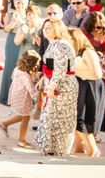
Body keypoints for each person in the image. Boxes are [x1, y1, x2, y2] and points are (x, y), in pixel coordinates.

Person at [35, 19, 78, 156]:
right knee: (51, 117)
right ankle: (51, 148)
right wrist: (43, 79)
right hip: (53, 84)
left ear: (58, 30)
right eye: (45, 28)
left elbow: (60, 70)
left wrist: (52, 88)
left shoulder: (61, 46)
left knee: (61, 118)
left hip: (63, 87)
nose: (46, 30)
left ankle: (59, 149)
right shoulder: (52, 44)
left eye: (50, 28)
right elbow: (51, 67)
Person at [69, 28, 105, 157]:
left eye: (69, 40)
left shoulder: (88, 52)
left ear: (76, 39)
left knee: (81, 119)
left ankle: (93, 149)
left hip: (92, 86)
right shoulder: (76, 53)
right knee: (79, 117)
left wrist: (74, 72)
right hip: (82, 85)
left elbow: (97, 74)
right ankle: (78, 148)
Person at [0, 50, 40, 148]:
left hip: (15, 94)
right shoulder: (26, 76)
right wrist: (39, 91)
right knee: (26, 117)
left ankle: (4, 124)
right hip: (23, 98)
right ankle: (21, 140)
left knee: (23, 115)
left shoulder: (17, 69)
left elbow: (14, 78)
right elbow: (32, 92)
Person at [0, 0, 27, 105]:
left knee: (24, 68)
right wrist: (14, 22)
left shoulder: (28, 14)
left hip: (25, 41)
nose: (19, 5)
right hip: (12, 40)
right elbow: (6, 29)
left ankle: (23, 98)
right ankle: (6, 97)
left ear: (26, 4)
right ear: (14, 3)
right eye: (17, 2)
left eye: (22, 2)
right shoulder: (9, 14)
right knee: (10, 67)